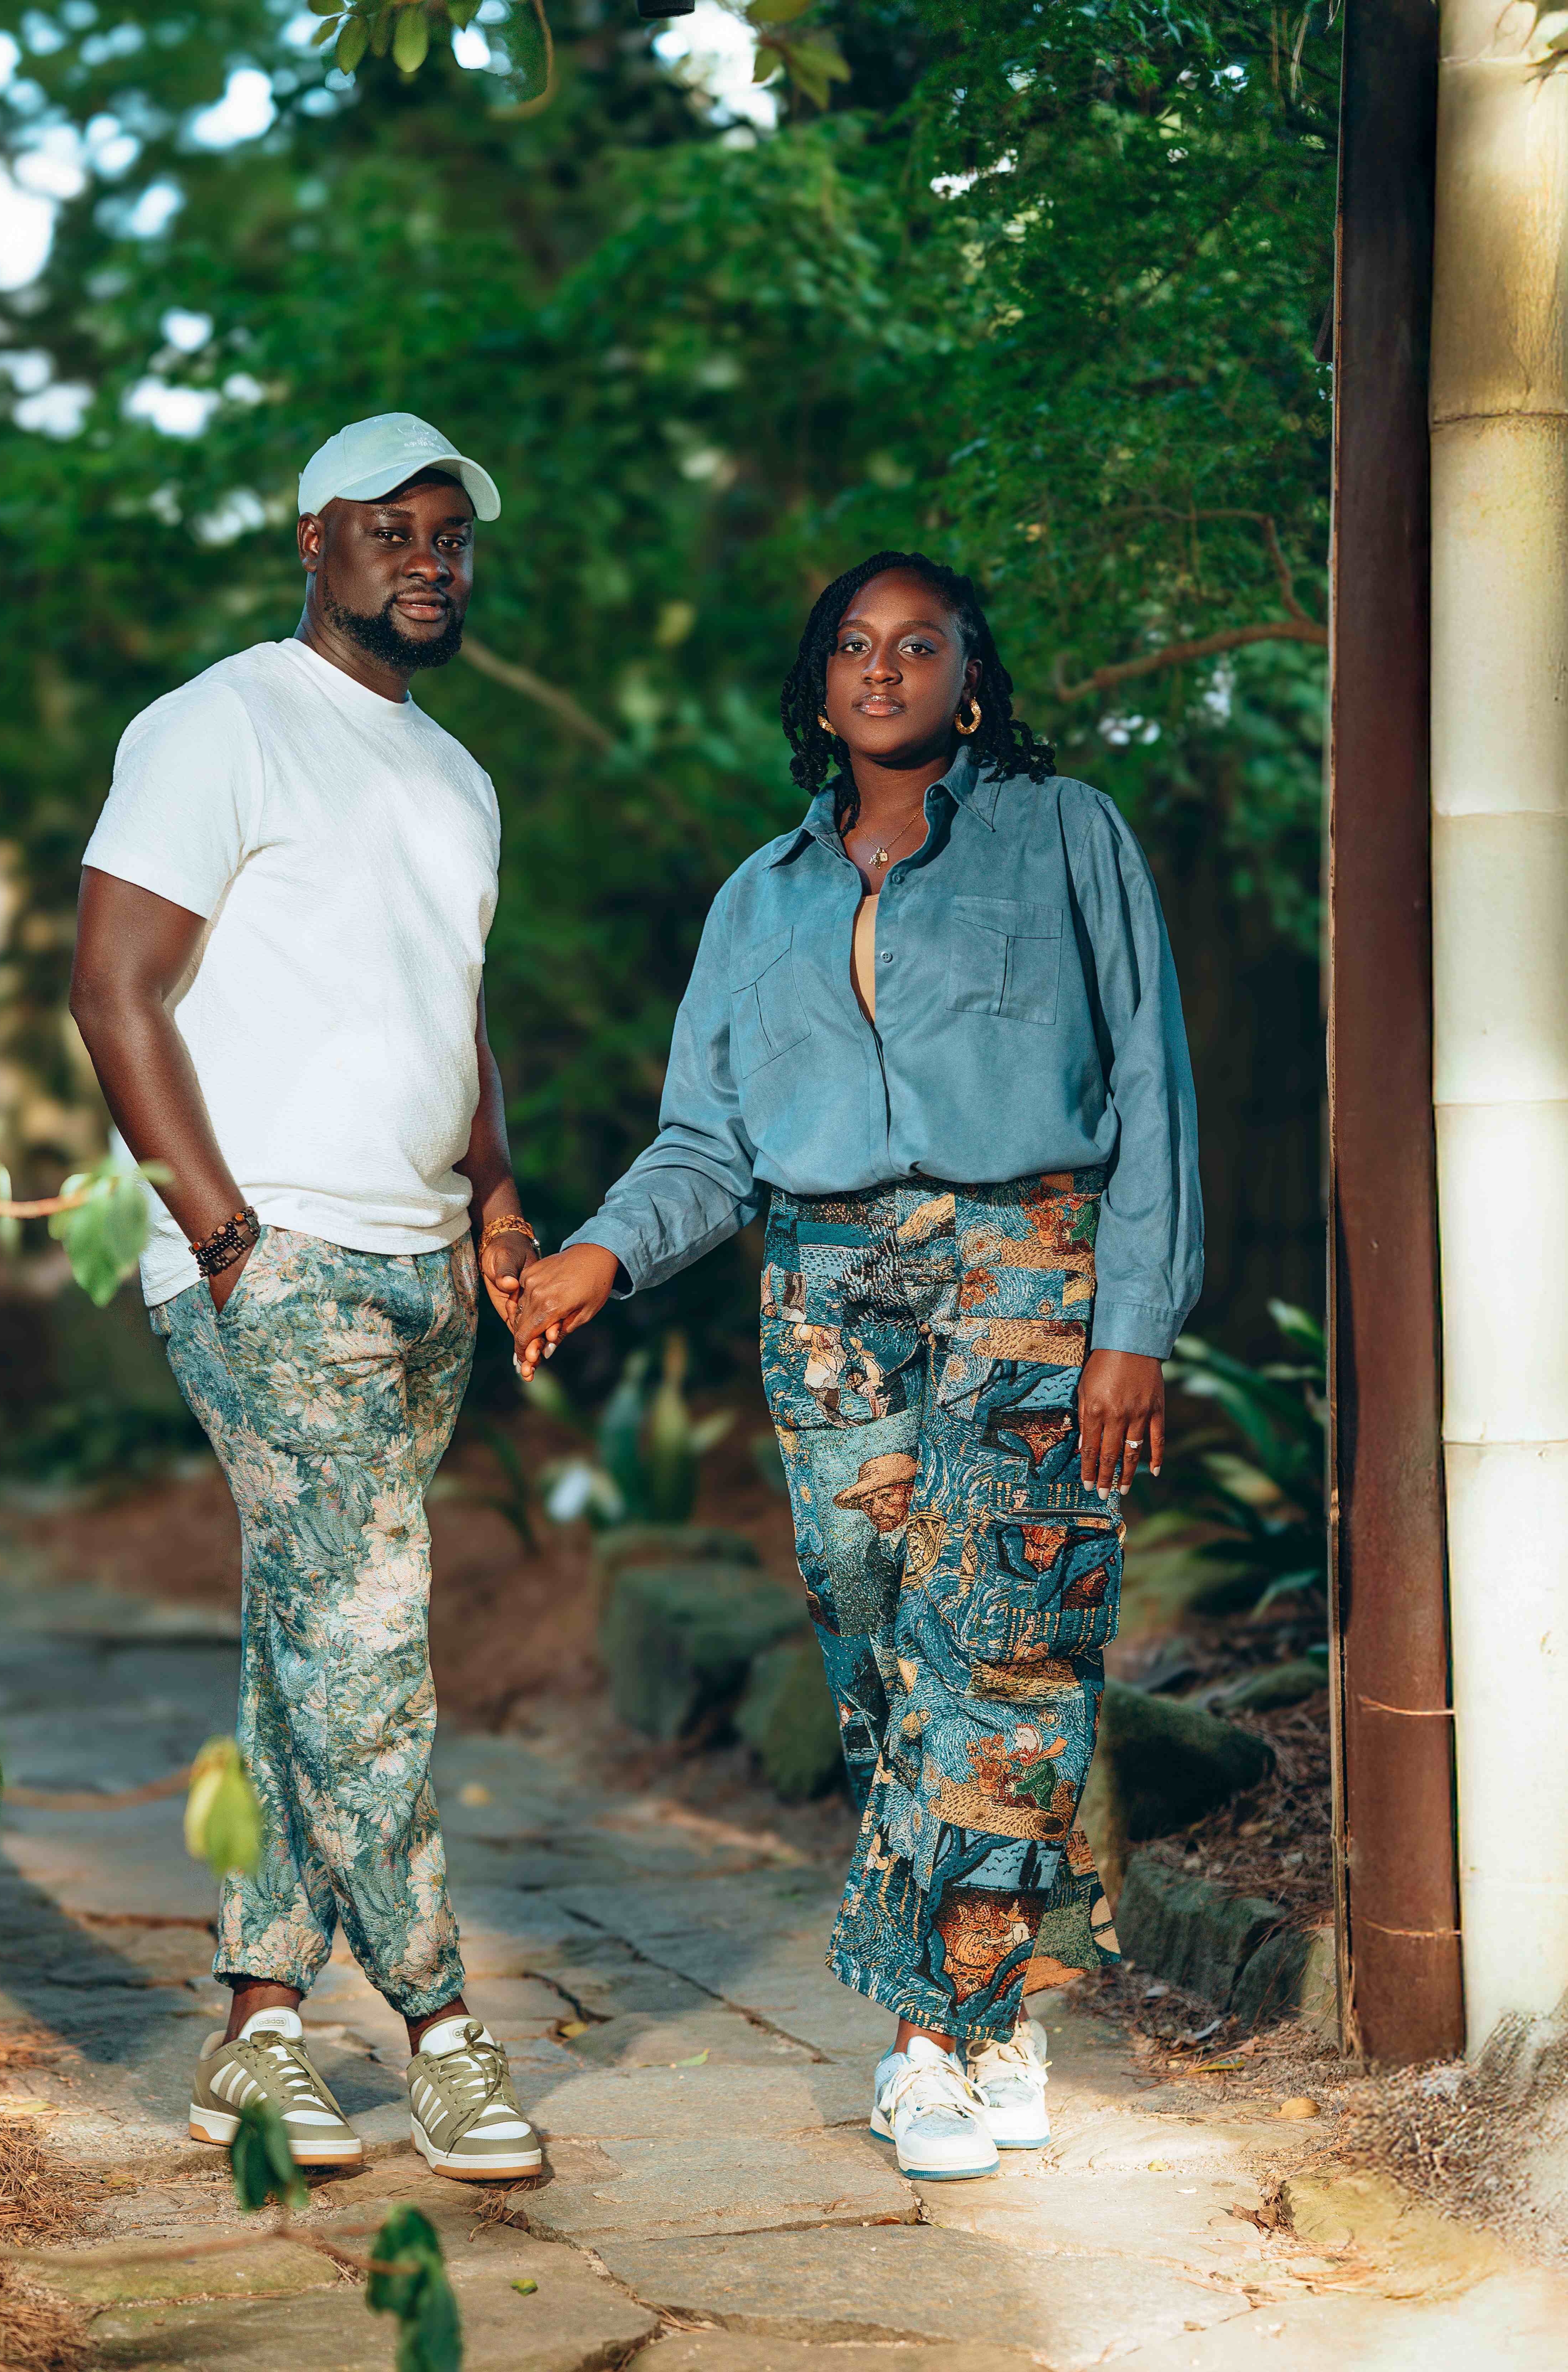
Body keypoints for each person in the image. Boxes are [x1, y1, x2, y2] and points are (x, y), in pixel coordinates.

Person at [512, 550, 1202, 2183]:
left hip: (1028, 1267)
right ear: (820, 689)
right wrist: (597, 1257)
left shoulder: (1066, 833)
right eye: (853, 646)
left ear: (971, 680)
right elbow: (706, 1143)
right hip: (828, 1292)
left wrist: (1134, 1326)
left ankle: (925, 2044)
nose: (882, 668)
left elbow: (1153, 1084)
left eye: (918, 645)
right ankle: (1004, 2000)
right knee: (887, 1660)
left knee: (1009, 1641)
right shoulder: (759, 899)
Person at [70, 412, 544, 2183]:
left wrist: (498, 1199)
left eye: (450, 535)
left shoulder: (458, 777)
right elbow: (113, 987)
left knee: (311, 1648)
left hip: (427, 1267)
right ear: (312, 542)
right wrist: (222, 1236)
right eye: (389, 528)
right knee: (371, 1650)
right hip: (276, 1260)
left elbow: (453, 1013)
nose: (428, 558)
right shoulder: (221, 725)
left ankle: (257, 2030)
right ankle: (440, 2023)